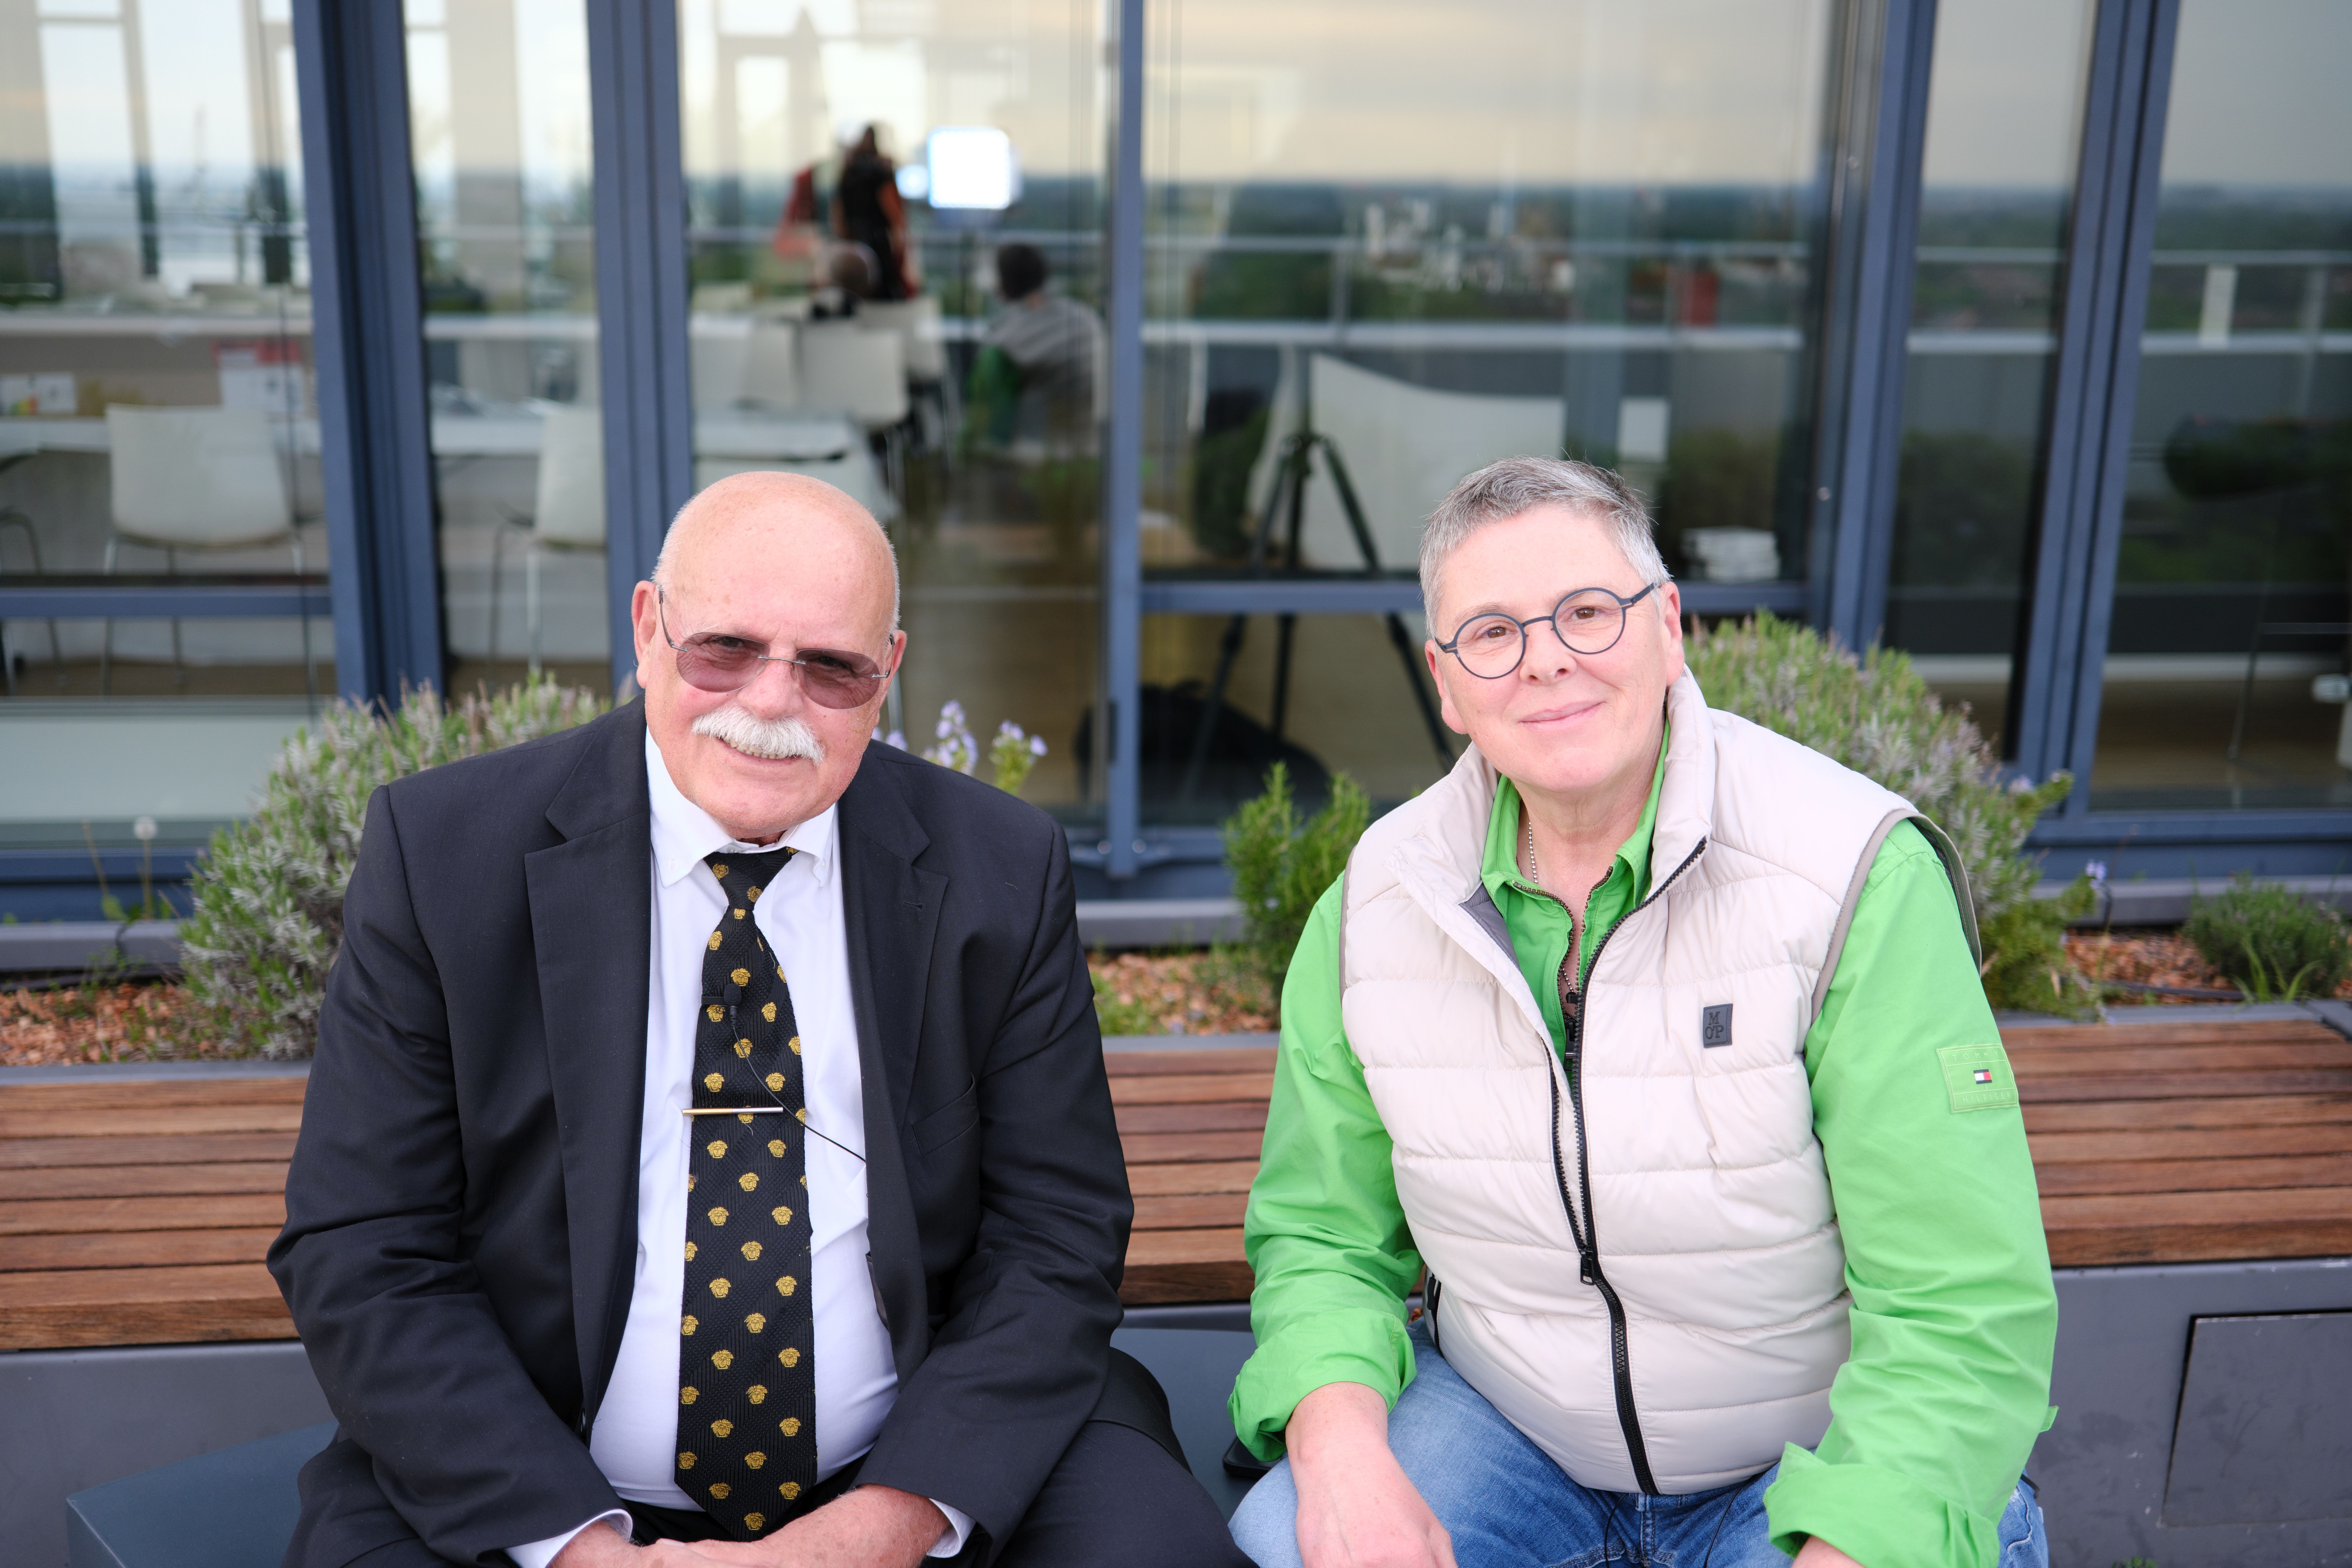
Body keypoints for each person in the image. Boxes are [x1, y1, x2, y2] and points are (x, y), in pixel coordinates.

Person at [270, 472, 1249, 1568]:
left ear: (887, 673)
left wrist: (873, 1531)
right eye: (725, 649)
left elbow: (1056, 1234)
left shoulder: (1000, 868)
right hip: (533, 1478)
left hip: (917, 1458)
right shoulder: (446, 855)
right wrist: (588, 1552)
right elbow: (365, 1248)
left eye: (831, 666)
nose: (774, 701)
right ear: (648, 629)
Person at [1225, 457, 2058, 1568]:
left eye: (1586, 611)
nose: (1544, 660)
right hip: (1510, 1435)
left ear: (1667, 627)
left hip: (1800, 1457)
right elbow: (1323, 1236)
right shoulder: (1380, 900)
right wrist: (1338, 1456)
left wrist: (1851, 1544)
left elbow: (1958, 1302)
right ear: (1444, 682)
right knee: (1291, 1536)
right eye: (1491, 632)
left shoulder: (1849, 874)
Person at [973, 243, 1104, 454]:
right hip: (1095, 448)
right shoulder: (1086, 319)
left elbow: (988, 421)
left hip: (1036, 453)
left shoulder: (1004, 341)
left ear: (1001, 288)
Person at [832, 125, 915, 302]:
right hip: (878, 237)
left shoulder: (850, 171)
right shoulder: (881, 171)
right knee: (883, 286)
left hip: (855, 236)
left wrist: (843, 234)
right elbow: (891, 207)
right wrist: (900, 234)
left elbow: (838, 209)